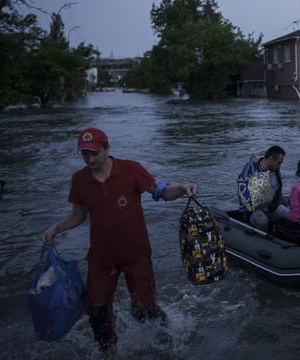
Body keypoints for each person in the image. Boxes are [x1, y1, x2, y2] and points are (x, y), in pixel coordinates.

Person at [41, 127, 197, 358]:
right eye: (85, 154)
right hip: (101, 259)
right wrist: (57, 227)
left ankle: (168, 338)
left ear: (107, 149)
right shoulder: (79, 180)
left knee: (144, 309)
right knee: (96, 313)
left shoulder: (131, 169)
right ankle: (111, 353)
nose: (90, 159)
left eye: (95, 153)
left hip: (136, 255)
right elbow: (78, 215)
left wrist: (183, 189)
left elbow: (161, 192)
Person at [238, 145, 289, 232]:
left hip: (273, 207)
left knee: (292, 216)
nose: (280, 166)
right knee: (262, 221)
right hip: (255, 211)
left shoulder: (275, 170)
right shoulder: (251, 170)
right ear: (270, 158)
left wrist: (285, 204)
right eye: (279, 163)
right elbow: (244, 196)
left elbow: (277, 191)